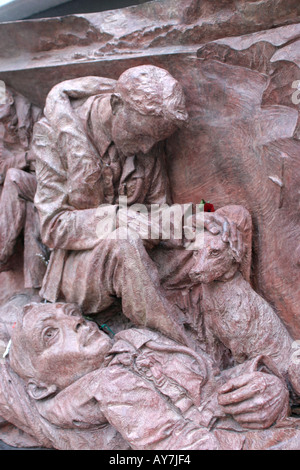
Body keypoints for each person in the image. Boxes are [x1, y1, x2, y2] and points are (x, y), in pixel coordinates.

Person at [32, 65, 226, 348]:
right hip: (81, 270)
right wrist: (116, 218)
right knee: (125, 242)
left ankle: (234, 335)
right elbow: (53, 227)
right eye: (141, 136)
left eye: (154, 140)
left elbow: (158, 212)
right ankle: (181, 346)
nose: (147, 148)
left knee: (228, 222)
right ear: (115, 105)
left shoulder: (147, 135)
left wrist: (194, 218)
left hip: (141, 253)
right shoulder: (52, 133)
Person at [3, 301, 300, 451]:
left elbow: (213, 377)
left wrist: (267, 383)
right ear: (41, 388)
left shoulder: (133, 339)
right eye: (51, 334)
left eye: (70, 312)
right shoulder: (99, 390)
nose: (76, 322)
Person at [0, 84, 47, 288]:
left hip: (49, 182)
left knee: (14, 178)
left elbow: (47, 153)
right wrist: (26, 157)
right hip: (26, 191)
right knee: (30, 212)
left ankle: (1, 251)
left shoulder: (34, 114)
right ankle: (36, 286)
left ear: (9, 99)